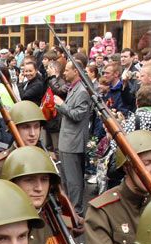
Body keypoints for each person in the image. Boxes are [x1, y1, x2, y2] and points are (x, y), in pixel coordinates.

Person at [50, 54, 92, 214]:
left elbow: (77, 115)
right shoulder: (74, 88)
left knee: (73, 180)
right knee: (67, 178)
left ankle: (76, 210)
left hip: (73, 142)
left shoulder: (82, 91)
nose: (64, 73)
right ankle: (69, 207)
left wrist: (61, 105)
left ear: (76, 71)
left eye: (67, 70)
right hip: (67, 140)